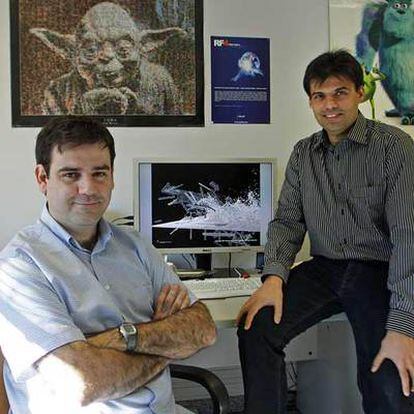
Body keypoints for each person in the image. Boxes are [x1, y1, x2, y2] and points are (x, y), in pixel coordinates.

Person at [237, 50, 414, 414]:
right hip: (325, 268)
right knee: (257, 326)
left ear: (359, 93)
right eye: (320, 96)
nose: (330, 105)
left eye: (340, 93)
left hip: (380, 271)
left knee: (387, 371)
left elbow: (407, 236)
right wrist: (273, 278)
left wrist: (402, 325)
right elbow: (287, 222)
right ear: (310, 101)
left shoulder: (393, 147)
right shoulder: (304, 154)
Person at [0, 117, 217, 413]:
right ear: (42, 178)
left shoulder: (136, 245)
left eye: (99, 173)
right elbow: (84, 383)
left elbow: (203, 328)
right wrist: (165, 340)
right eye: (71, 175)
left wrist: (120, 339)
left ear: (112, 176)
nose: (88, 188)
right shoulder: (19, 267)